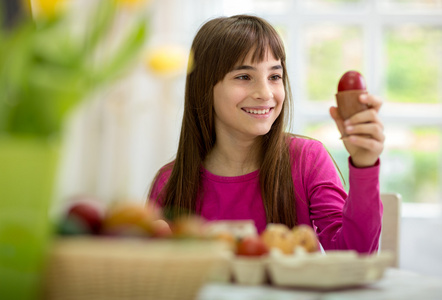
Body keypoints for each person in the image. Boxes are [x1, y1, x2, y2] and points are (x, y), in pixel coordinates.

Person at [149, 15, 384, 254]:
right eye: (243, 77)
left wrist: (364, 164)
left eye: (274, 76)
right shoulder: (169, 184)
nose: (265, 93)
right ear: (203, 87)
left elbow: (356, 255)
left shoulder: (307, 160)